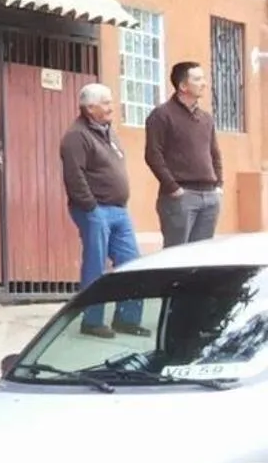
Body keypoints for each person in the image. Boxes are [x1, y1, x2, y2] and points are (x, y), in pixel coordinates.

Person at [60, 83, 146, 340]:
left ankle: (127, 319)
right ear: (89, 108)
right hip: (94, 211)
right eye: (106, 103)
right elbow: (74, 177)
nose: (112, 107)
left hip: (119, 210)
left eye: (111, 102)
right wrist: (91, 207)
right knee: (95, 266)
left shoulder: (109, 132)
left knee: (133, 264)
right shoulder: (76, 136)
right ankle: (92, 320)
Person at [145, 60, 224, 247]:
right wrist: (173, 188)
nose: (204, 83)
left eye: (203, 78)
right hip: (181, 196)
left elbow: (215, 153)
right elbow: (153, 155)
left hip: (209, 195)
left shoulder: (206, 118)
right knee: (176, 255)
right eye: (197, 79)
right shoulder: (161, 115)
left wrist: (219, 184)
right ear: (183, 86)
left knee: (201, 258)